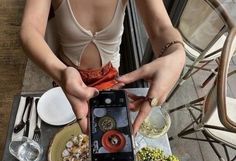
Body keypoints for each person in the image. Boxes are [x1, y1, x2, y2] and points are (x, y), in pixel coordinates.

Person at [20, 0, 185, 134]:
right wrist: (61, 73)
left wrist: (177, 53)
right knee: (69, 134)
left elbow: (161, 28)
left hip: (110, 76)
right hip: (67, 77)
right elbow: (30, 30)